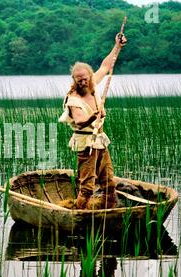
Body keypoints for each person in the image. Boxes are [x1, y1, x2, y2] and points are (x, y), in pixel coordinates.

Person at [59, 32, 127, 210]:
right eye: (78, 79)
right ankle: (79, 213)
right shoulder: (73, 98)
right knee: (88, 187)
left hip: (99, 141)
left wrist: (117, 47)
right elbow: (81, 122)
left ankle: (109, 209)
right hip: (85, 144)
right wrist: (93, 115)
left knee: (108, 183)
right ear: (74, 80)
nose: (83, 81)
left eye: (85, 77)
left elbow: (106, 66)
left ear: (90, 75)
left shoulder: (93, 84)